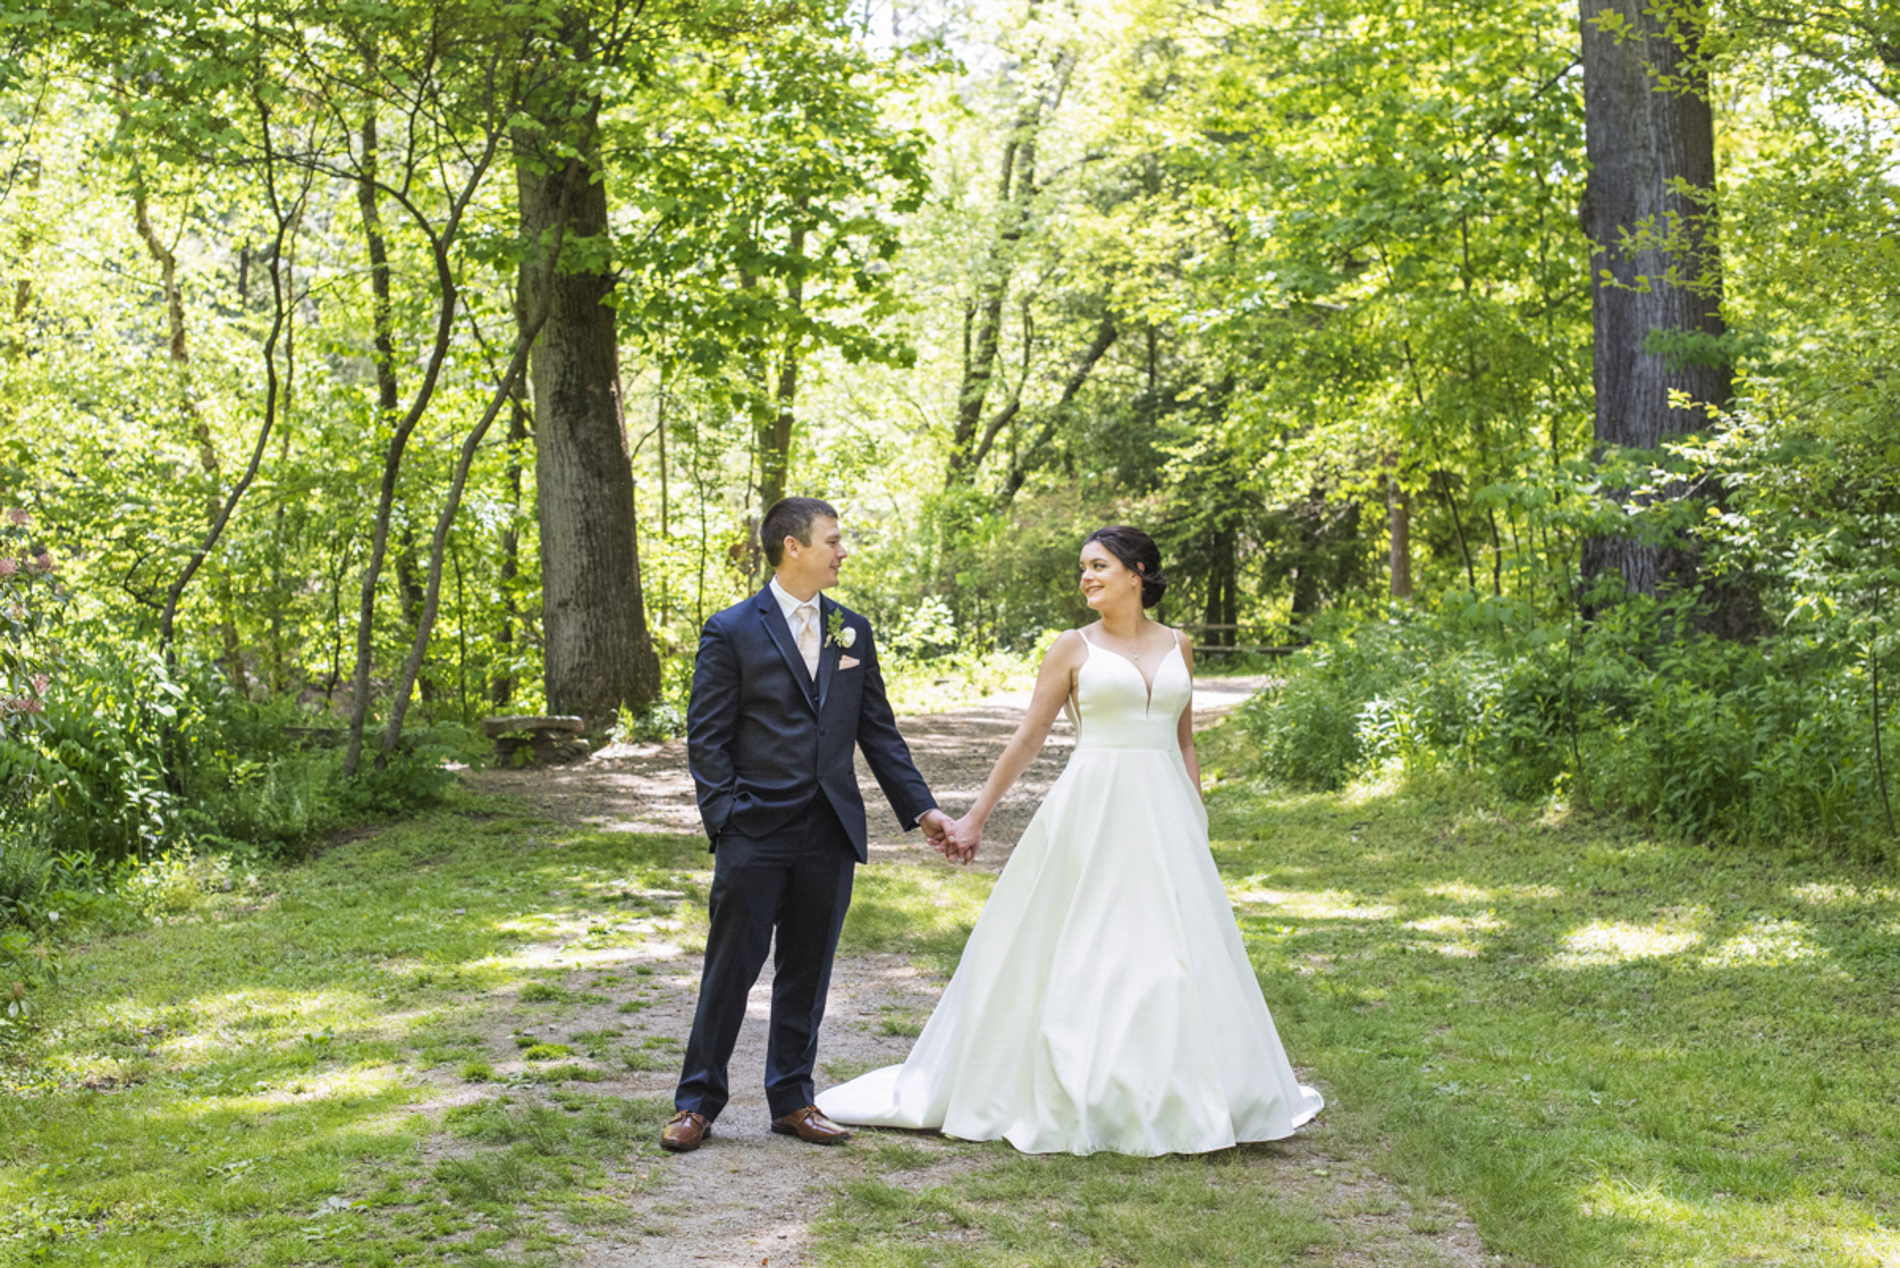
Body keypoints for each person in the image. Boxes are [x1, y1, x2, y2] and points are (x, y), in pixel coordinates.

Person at [816, 526, 1324, 1156]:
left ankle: (1186, 1089)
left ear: (1137, 573)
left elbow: (1186, 738)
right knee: (1087, 945)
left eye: (1099, 565)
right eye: (1082, 567)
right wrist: (975, 817)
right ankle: (1080, 1085)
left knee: (1176, 952)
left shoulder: (1179, 645)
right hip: (1094, 809)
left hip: (1167, 816)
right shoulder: (1071, 647)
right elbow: (1029, 737)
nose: (1086, 577)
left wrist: (1197, 813)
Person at [662, 497, 956, 1153]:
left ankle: (792, 1099)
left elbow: (878, 732)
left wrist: (923, 808)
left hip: (829, 831)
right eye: (833, 539)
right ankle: (697, 1103)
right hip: (754, 830)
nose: (841, 550)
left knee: (808, 972)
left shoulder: (852, 630)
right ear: (792, 546)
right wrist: (727, 817)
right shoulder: (732, 630)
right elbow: (707, 739)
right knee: (730, 970)